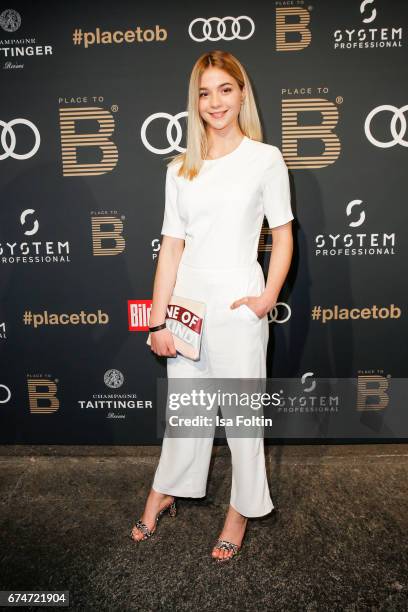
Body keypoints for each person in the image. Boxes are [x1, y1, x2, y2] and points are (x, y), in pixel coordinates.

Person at [130, 50, 294, 562]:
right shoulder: (181, 169)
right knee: (187, 412)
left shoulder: (265, 159)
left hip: (239, 305)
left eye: (225, 89)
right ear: (195, 102)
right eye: (205, 93)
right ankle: (166, 490)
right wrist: (157, 319)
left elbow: (283, 235)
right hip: (186, 307)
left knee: (243, 418)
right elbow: (171, 247)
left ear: (243, 94)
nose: (215, 102)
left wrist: (266, 297)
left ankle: (241, 509)